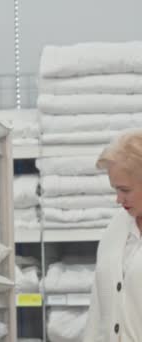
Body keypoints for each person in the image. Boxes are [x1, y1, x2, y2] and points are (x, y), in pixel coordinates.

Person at [84, 129, 142, 341]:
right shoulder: (114, 230)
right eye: (115, 190)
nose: (118, 200)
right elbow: (97, 312)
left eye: (125, 190)